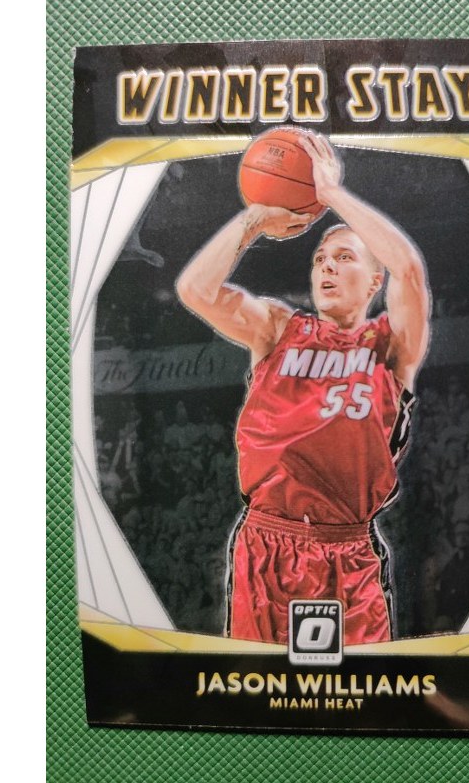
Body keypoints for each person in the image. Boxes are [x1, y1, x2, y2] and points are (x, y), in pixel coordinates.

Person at [176, 131, 430, 645]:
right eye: (319, 259)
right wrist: (254, 219)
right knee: (260, 685)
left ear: (374, 280)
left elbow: (407, 268)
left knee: (354, 688)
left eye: (344, 257)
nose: (326, 266)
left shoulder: (390, 346)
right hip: (267, 544)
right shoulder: (277, 328)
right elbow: (194, 290)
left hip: (347, 551)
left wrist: (331, 194)